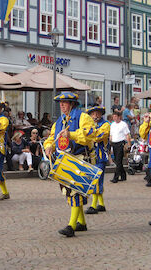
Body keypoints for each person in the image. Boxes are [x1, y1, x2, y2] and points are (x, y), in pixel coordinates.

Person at [44, 92, 96, 237]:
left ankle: (71, 226)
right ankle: (82, 222)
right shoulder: (59, 121)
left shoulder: (83, 117)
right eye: (60, 103)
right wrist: (48, 146)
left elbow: (90, 134)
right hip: (64, 160)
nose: (61, 105)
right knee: (69, 193)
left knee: (75, 192)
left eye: (65, 102)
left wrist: (71, 134)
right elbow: (51, 138)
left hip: (79, 158)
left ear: (72, 104)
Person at [85, 106, 110, 215]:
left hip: (100, 156)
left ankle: (93, 205)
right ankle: (101, 204)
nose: (95, 116)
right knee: (94, 179)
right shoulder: (89, 125)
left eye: (97, 114)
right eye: (93, 114)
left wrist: (89, 132)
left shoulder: (106, 125)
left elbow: (98, 136)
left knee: (96, 179)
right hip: (90, 157)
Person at [109, 111, 131, 183]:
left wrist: (128, 144)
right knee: (117, 160)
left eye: (115, 116)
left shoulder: (123, 124)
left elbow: (127, 134)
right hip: (114, 143)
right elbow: (111, 135)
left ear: (119, 117)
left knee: (118, 160)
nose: (114, 118)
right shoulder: (112, 125)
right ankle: (123, 175)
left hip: (120, 143)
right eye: (113, 116)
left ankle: (116, 177)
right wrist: (110, 143)